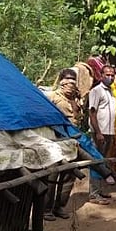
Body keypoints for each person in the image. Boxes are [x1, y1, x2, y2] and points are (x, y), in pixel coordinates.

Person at [41, 68, 84, 219]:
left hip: (72, 140)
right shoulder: (52, 97)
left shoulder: (77, 99)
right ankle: (46, 209)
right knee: (52, 175)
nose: (71, 83)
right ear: (61, 81)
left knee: (69, 175)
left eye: (73, 80)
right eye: (68, 79)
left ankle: (59, 206)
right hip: (55, 140)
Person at [87, 65, 116, 205]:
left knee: (103, 162)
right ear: (101, 75)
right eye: (107, 75)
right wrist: (98, 132)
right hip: (99, 133)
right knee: (96, 162)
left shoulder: (111, 91)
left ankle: (100, 190)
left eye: (112, 75)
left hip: (109, 132)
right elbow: (92, 112)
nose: (110, 77)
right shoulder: (96, 91)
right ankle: (94, 194)